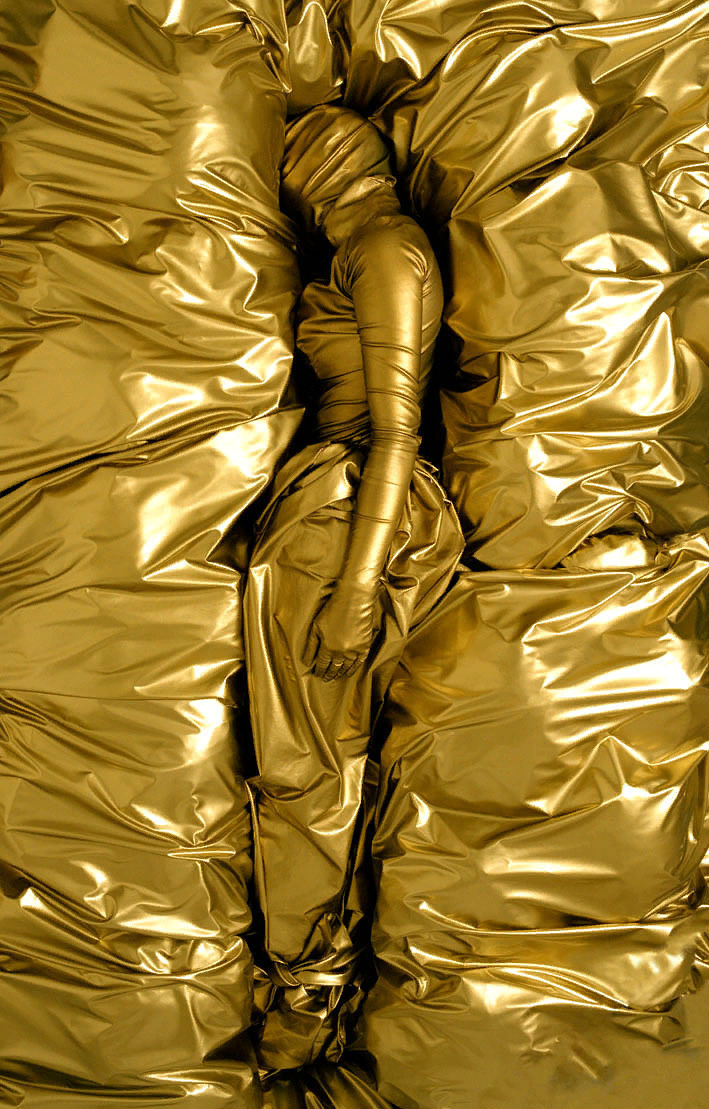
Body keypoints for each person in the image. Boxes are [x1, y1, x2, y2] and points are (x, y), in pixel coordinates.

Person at [244, 104, 464, 1072]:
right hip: (332, 510)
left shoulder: (384, 251)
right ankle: (314, 965)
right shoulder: (365, 249)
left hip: (348, 522)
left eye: (296, 163)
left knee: (309, 759)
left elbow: (398, 431)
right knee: (305, 751)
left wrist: (356, 586)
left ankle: (311, 980)